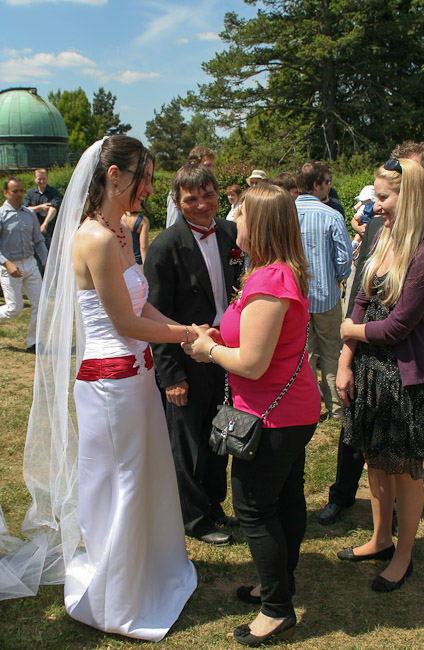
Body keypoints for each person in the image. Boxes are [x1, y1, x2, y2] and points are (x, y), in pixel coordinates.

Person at [0, 136, 197, 640]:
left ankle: (148, 571)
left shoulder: (121, 230)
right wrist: (185, 336)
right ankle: (117, 599)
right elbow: (124, 323)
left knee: (143, 475)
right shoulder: (96, 238)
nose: (149, 189)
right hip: (111, 384)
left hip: (137, 377)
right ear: (114, 175)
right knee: (120, 483)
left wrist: (186, 329)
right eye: (143, 178)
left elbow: (141, 305)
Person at [183, 184, 321, 646]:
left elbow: (253, 363)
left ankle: (277, 610)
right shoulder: (273, 271)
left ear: (258, 223)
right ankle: (278, 585)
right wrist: (218, 337)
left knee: (254, 507)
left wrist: (208, 350)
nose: (231, 219)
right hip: (286, 409)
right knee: (285, 499)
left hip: (273, 416)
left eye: (238, 213)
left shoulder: (269, 279)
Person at [319, 140, 424, 526]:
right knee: (374, 460)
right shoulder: (383, 235)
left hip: (404, 376)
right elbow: (361, 297)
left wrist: (351, 330)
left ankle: (402, 552)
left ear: (410, 195)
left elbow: (399, 325)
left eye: (383, 197)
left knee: (405, 468)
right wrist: (346, 359)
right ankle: (378, 536)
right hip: (370, 369)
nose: (374, 205)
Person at [144, 164, 242, 546]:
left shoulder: (232, 234)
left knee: (219, 432)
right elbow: (155, 317)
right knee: (187, 443)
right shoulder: (164, 247)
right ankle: (193, 517)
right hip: (185, 356)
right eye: (191, 199)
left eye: (208, 195)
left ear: (218, 193)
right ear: (177, 201)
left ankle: (215, 504)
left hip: (225, 352)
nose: (201, 205)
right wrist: (171, 376)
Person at [296, 162, 352, 419]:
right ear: (316, 184)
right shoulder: (331, 215)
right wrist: (338, 278)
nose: (330, 186)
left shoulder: (285, 213)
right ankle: (336, 408)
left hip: (296, 297)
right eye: (327, 181)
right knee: (331, 352)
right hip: (326, 296)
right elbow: (344, 259)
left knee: (303, 355)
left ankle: (309, 406)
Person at [0, 177, 48, 352]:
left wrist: (47, 262)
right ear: (6, 193)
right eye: (15, 191)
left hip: (30, 263)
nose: (19, 194)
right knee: (15, 309)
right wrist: (7, 264)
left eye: (21, 191)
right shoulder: (1, 215)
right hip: (9, 266)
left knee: (40, 304)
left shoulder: (29, 214)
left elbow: (39, 240)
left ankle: (32, 342)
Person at [166, 146, 217, 228]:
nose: (212, 170)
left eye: (212, 166)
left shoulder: (211, 187)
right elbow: (173, 224)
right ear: (193, 164)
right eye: (207, 165)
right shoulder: (180, 189)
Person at [24, 168, 62, 272]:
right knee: (37, 260)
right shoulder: (30, 193)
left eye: (44, 178)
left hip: (50, 231)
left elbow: (53, 208)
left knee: (52, 258)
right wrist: (40, 207)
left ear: (47, 178)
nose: (42, 181)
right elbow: (26, 210)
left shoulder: (54, 192)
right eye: (39, 179)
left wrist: (44, 224)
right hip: (33, 232)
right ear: (35, 179)